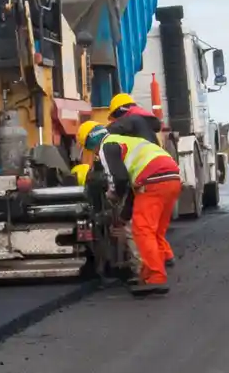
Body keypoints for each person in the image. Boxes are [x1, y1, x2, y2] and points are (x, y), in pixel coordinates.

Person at [77, 121, 181, 296]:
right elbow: (133, 192)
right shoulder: (124, 141)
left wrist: (113, 194)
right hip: (172, 178)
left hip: (152, 180)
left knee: (142, 230)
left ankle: (156, 277)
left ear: (90, 142)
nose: (93, 153)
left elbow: (119, 179)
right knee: (155, 230)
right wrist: (124, 217)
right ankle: (150, 270)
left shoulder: (106, 146)